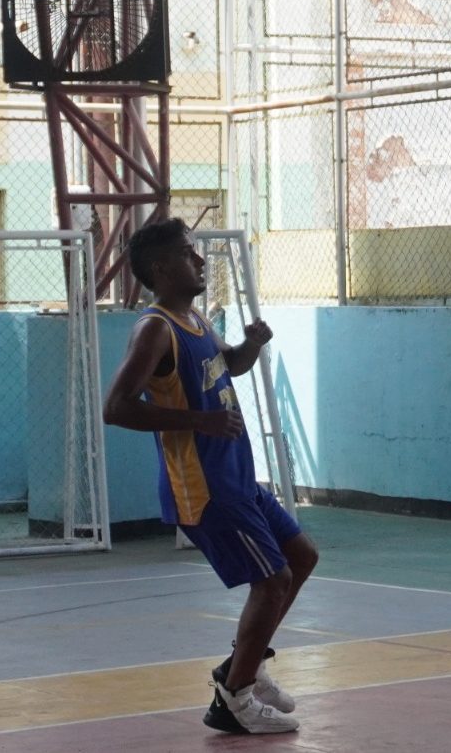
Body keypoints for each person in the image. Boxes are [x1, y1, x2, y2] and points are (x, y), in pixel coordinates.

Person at [106, 218, 319, 736]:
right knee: (272, 582)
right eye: (187, 253)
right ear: (161, 268)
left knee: (301, 557)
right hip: (204, 487)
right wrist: (198, 421)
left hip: (238, 479)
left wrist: (250, 346)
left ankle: (242, 668)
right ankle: (235, 700)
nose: (200, 260)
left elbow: (227, 367)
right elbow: (117, 407)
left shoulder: (194, 320)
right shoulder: (155, 328)